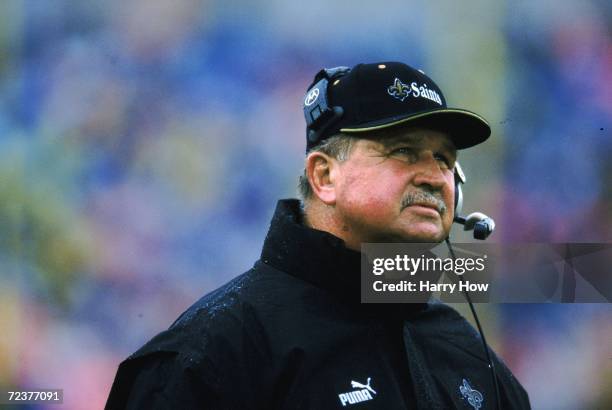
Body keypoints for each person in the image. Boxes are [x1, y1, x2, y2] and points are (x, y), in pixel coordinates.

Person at [106, 62, 530, 409]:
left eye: (444, 159)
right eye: (403, 151)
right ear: (324, 175)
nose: (436, 177)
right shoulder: (216, 351)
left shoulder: (467, 353)